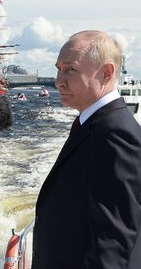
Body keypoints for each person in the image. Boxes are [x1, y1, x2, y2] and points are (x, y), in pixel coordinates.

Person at [33, 30, 141, 268]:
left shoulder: (116, 134)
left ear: (106, 73)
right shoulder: (93, 125)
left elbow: (112, 244)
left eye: (70, 69)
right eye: (58, 68)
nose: (58, 80)